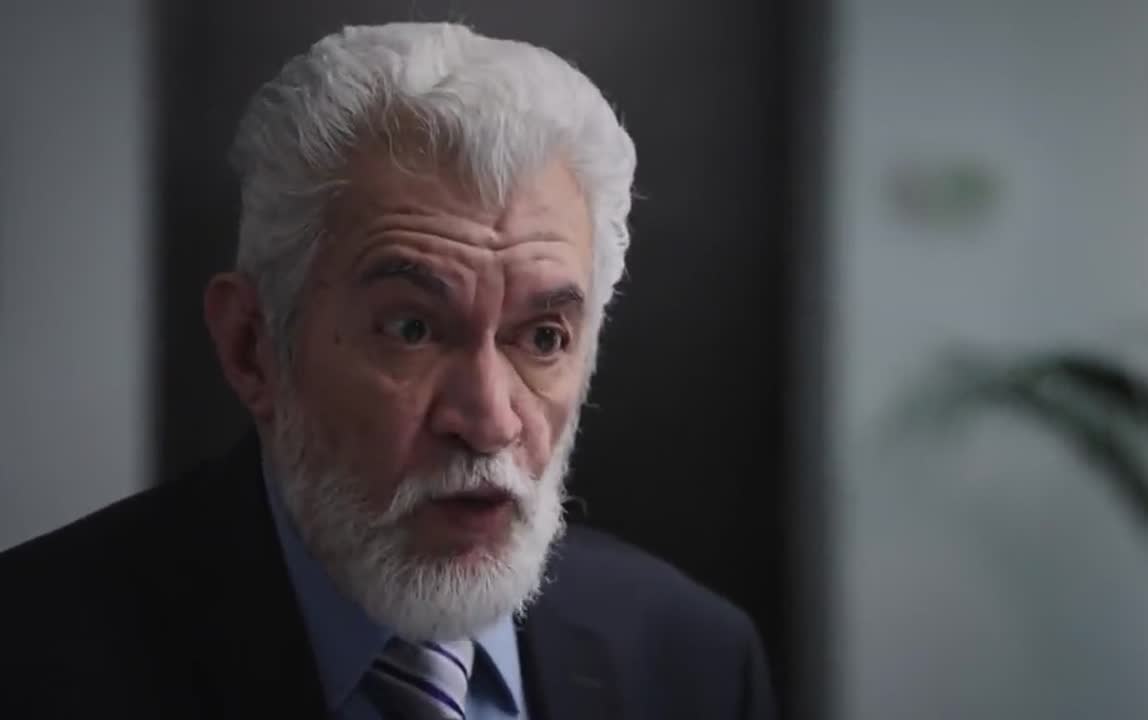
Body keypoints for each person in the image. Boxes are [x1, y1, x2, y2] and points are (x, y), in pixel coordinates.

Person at [0, 21, 775, 720]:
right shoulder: (32, 659)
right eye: (413, 329)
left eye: (543, 338)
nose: (489, 422)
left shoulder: (694, 661)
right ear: (252, 346)